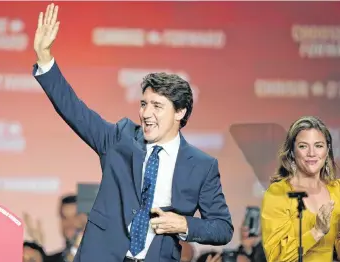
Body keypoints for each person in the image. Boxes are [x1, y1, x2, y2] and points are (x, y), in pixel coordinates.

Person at [33, 3, 233, 262]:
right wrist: (45, 59)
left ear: (180, 112)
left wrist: (184, 225)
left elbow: (222, 227)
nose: (146, 113)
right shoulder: (120, 139)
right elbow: (75, 111)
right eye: (143, 104)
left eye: (157, 106)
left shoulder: (202, 166)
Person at [261, 116, 339, 262]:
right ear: (291, 151)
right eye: (303, 146)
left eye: (319, 145)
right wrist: (317, 232)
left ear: (327, 150)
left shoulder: (337, 190)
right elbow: (277, 258)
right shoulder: (277, 194)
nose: (311, 153)